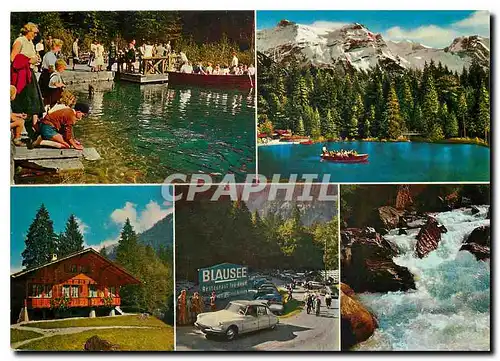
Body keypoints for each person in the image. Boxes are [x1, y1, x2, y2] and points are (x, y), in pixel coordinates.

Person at [10, 22, 44, 141]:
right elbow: (13, 59)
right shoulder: (20, 41)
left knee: (35, 102)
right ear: (28, 31)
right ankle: (21, 131)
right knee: (26, 101)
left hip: (30, 73)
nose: (35, 35)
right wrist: (29, 60)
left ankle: (33, 130)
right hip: (21, 75)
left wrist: (36, 59)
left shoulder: (30, 42)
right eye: (34, 33)